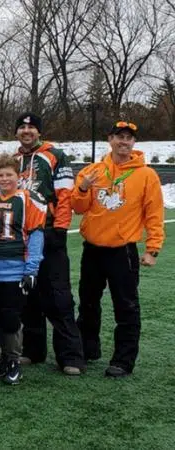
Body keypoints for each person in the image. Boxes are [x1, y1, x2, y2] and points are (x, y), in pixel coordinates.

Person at [71, 121, 164, 378]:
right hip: (93, 248)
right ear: (110, 139)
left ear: (134, 143)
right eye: (119, 137)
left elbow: (154, 214)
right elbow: (78, 208)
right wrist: (83, 188)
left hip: (122, 251)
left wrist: (152, 248)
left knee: (126, 306)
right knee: (88, 303)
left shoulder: (146, 175)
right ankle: (88, 349)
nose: (124, 142)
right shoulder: (93, 171)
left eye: (129, 138)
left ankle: (123, 360)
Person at [12, 112, 85, 375]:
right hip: (23, 236)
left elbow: (65, 195)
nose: (27, 131)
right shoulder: (13, 160)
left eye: (31, 127)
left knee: (58, 296)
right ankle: (34, 350)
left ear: (39, 131)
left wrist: (61, 228)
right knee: (28, 295)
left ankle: (71, 357)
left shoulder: (55, 155)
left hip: (49, 231)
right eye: (22, 127)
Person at [0, 154, 46, 385]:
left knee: (11, 318)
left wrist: (31, 269)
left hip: (15, 269)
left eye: (9, 175)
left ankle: (13, 360)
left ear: (18, 176)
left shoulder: (27, 199)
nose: (5, 179)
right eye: (1, 175)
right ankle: (4, 359)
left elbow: (35, 235)